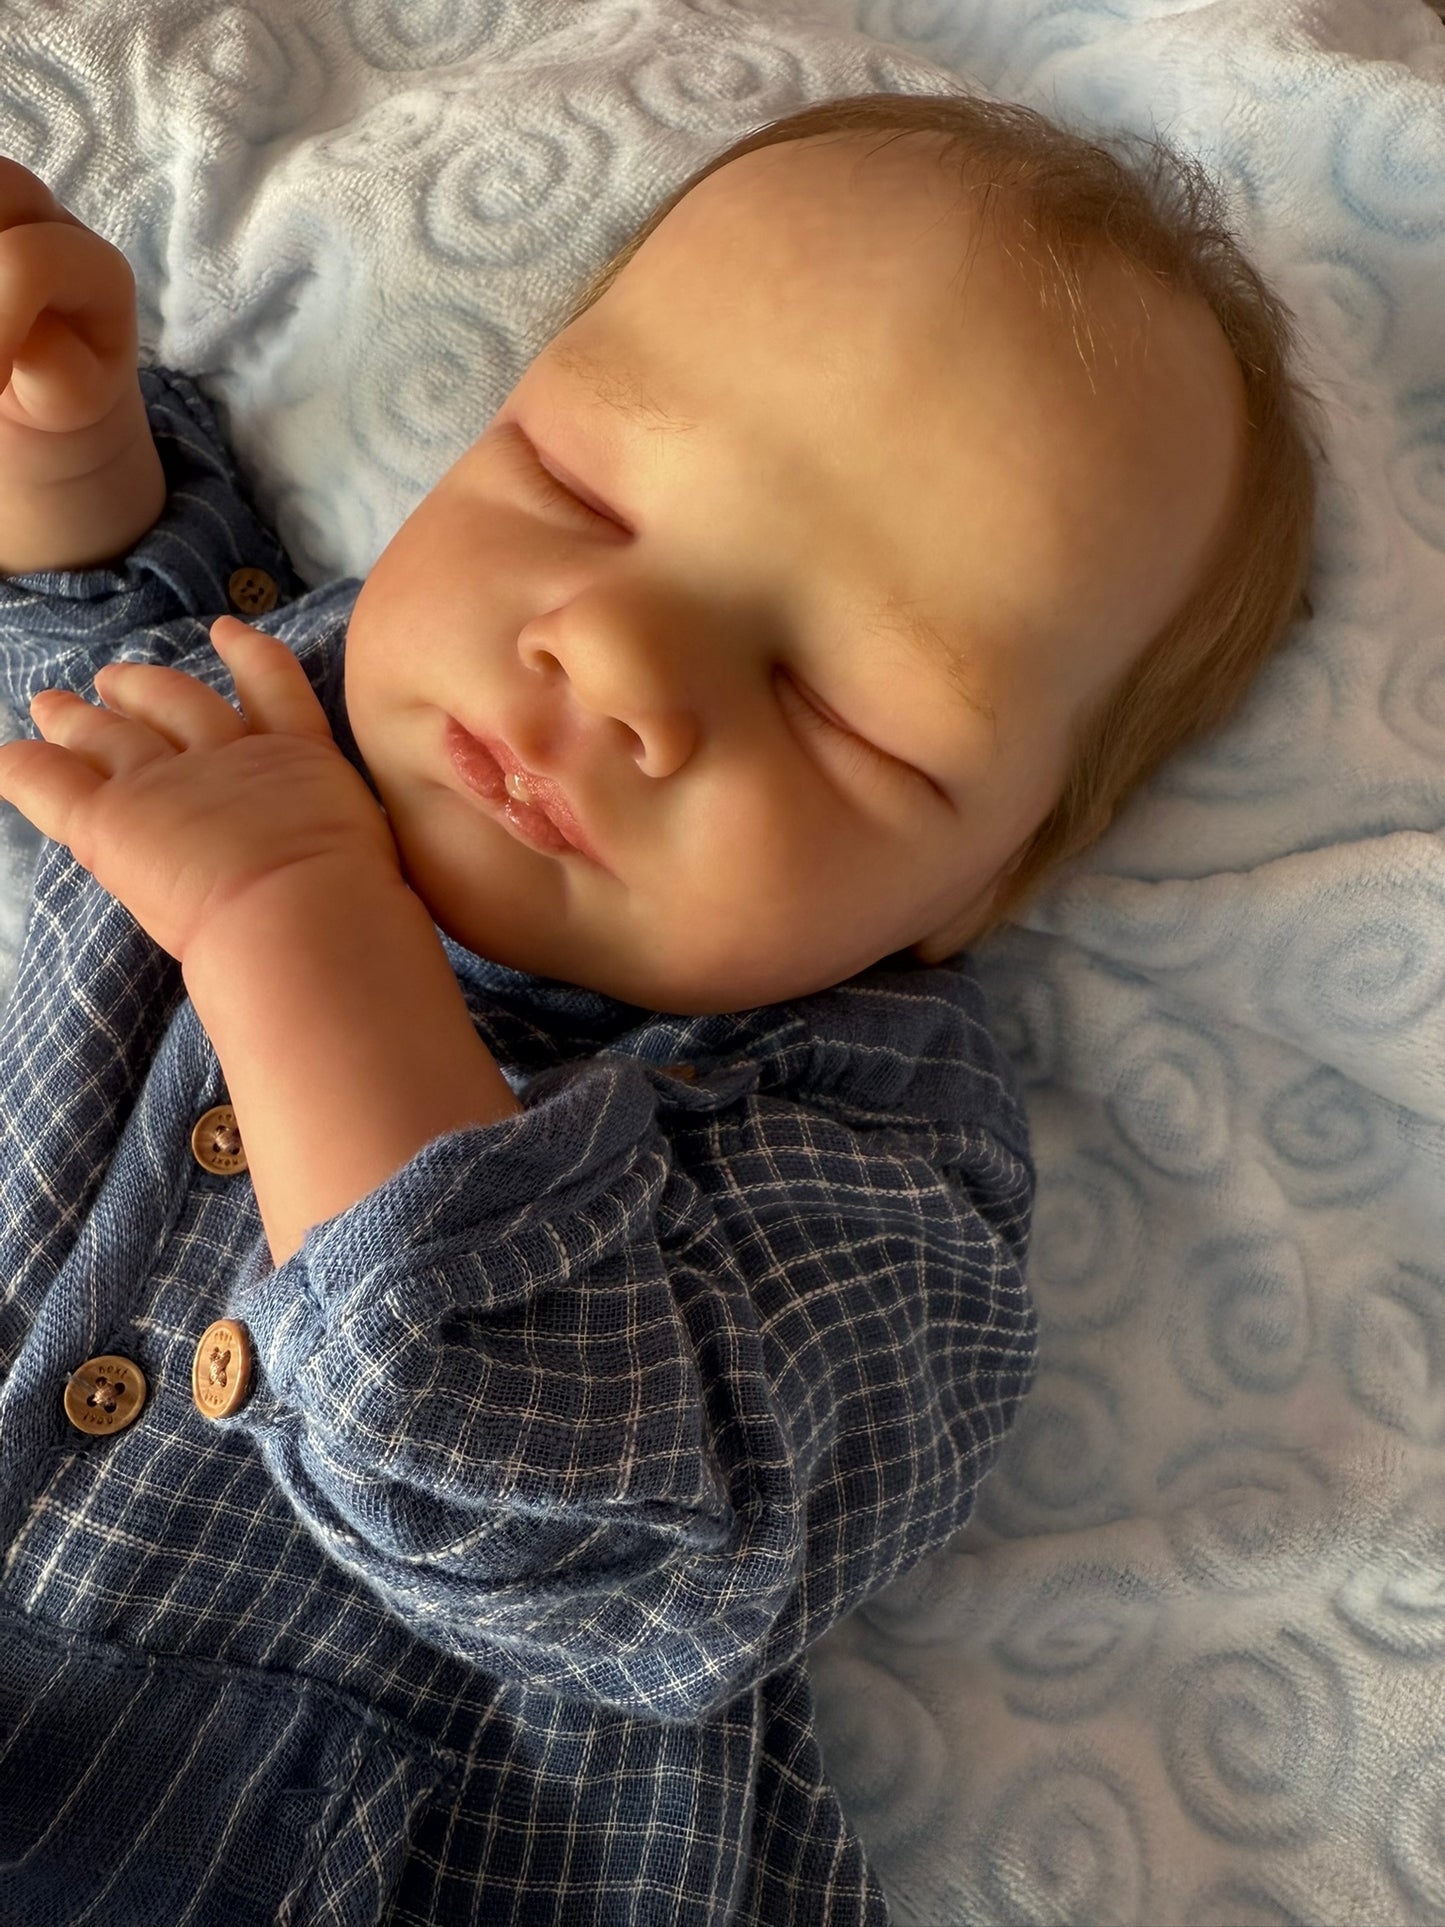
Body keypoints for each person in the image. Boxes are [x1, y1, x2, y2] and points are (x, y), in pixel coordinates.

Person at [0, 91, 1315, 1926]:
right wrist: (56, 446)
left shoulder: (868, 1183)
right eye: (578, 489)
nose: (614, 654)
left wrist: (295, 927)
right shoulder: (269, 697)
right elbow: (84, 667)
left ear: (973, 891)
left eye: (847, 705)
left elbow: (602, 1551)